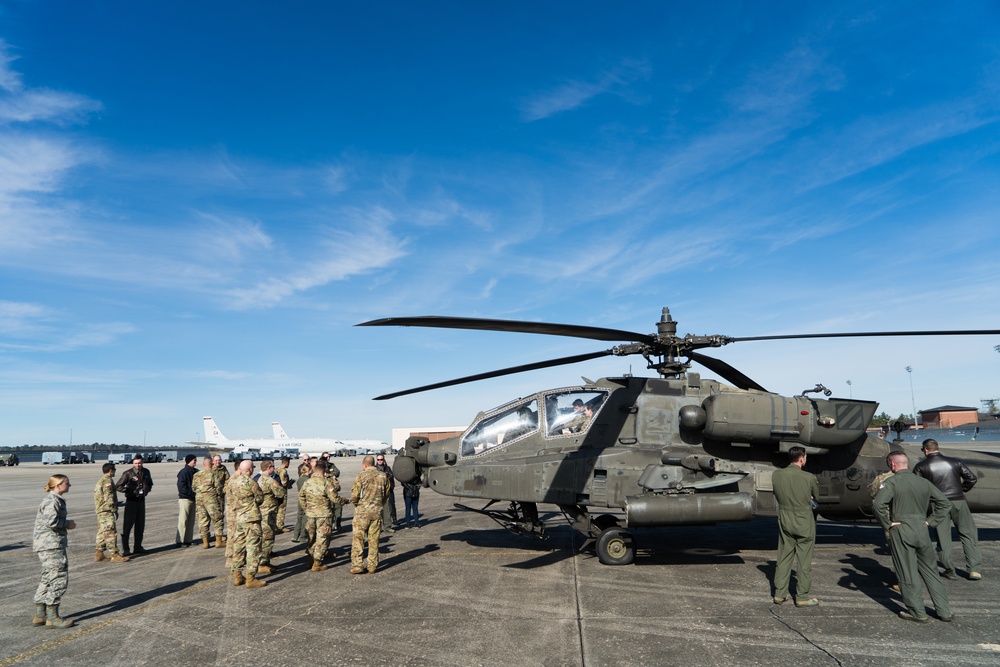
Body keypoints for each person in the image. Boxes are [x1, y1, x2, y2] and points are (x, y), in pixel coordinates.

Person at [873, 450, 953, 622]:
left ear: (892, 464)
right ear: (906, 463)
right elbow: (945, 504)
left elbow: (878, 505)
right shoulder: (924, 482)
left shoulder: (891, 482)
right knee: (931, 572)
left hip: (902, 529)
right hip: (922, 529)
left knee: (907, 572)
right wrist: (931, 521)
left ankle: (917, 612)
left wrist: (887, 524)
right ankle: (944, 611)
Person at [913, 439, 982, 580]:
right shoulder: (955, 461)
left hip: (938, 505)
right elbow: (972, 478)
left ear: (926, 450)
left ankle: (950, 570)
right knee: (968, 534)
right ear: (937, 448)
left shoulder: (921, 466)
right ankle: (974, 569)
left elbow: (917, 488)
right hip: (958, 501)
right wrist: (961, 490)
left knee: (943, 539)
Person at [771, 445, 820, 607]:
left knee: (784, 556)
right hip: (804, 520)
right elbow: (816, 497)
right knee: (804, 560)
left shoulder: (777, 475)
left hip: (785, 518)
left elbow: (777, 494)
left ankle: (779, 594)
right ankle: (802, 596)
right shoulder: (809, 477)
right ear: (802, 458)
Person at [33, 474, 77, 628]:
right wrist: (67, 524)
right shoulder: (52, 501)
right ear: (58, 485)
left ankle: (40, 614)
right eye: (67, 482)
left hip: (47, 544)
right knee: (58, 577)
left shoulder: (53, 499)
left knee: (47, 577)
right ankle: (52, 616)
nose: (69, 485)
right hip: (51, 545)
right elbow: (52, 522)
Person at [299, 459, 347, 571]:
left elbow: (301, 496)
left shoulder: (307, 482)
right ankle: (317, 562)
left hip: (310, 515)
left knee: (311, 538)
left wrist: (306, 508)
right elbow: (335, 498)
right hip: (324, 515)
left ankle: (311, 558)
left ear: (314, 469)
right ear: (325, 469)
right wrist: (345, 500)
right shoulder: (326, 483)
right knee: (322, 538)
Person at [228, 460, 267, 588]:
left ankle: (237, 575)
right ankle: (250, 578)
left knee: (238, 547)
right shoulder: (251, 482)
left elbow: (231, 498)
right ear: (249, 470)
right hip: (251, 519)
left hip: (239, 518)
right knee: (253, 548)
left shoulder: (233, 481)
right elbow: (260, 499)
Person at [350, 455, 390, 574]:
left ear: (365, 465)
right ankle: (372, 565)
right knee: (374, 540)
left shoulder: (361, 476)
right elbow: (386, 494)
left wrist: (357, 504)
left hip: (362, 512)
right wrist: (378, 504)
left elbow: (355, 495)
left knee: (358, 539)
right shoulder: (383, 476)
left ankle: (358, 565)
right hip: (376, 512)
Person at [115, 455, 153, 556]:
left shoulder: (146, 472)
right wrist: (129, 490)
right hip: (131, 501)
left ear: (142, 462)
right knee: (127, 526)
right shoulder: (128, 473)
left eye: (139, 463)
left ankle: (138, 547)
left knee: (140, 526)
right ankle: (126, 549)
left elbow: (150, 483)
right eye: (136, 463)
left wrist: (146, 490)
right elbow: (118, 486)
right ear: (133, 463)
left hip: (141, 501)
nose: (138, 465)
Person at [254, 458, 286, 569]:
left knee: (262, 537)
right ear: (269, 468)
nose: (274, 469)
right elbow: (281, 492)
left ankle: (265, 562)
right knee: (268, 538)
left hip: (260, 512)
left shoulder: (257, 480)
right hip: (269, 513)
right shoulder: (269, 480)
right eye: (272, 467)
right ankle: (263, 563)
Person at [94, 463, 128, 563]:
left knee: (101, 533)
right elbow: (108, 498)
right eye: (114, 469)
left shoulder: (101, 480)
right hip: (106, 511)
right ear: (111, 470)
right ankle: (115, 555)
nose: (115, 471)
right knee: (110, 533)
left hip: (101, 511)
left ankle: (99, 553)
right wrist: (113, 509)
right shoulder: (107, 481)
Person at [193, 456, 223, 548]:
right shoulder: (214, 474)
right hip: (211, 499)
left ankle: (205, 542)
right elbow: (218, 488)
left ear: (203, 464)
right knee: (217, 519)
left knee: (203, 520)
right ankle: (218, 541)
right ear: (212, 463)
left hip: (199, 500)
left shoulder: (197, 475)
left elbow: (193, 488)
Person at [175, 455, 198, 547]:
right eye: (194, 460)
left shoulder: (195, 471)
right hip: (185, 499)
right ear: (189, 461)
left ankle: (188, 539)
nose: (195, 461)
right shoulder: (183, 472)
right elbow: (181, 487)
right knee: (183, 520)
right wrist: (192, 494)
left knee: (191, 521)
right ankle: (180, 541)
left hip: (193, 499)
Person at [374, 454, 397, 531]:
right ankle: (378, 527)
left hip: (387, 491)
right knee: (377, 511)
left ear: (384, 460)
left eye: (381, 459)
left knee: (387, 509)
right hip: (377, 492)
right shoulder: (374, 469)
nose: (380, 461)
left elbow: (391, 476)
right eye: (378, 459)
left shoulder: (387, 468)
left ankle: (387, 526)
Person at [292, 460, 312, 543]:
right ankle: (303, 536)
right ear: (309, 471)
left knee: (299, 517)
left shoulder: (300, 479)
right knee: (305, 518)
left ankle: (295, 535)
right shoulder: (307, 480)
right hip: (306, 500)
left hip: (300, 500)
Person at [274, 457, 293, 531]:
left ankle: (275, 524)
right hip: (282, 492)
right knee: (281, 509)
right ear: (287, 463)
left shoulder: (276, 469)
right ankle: (280, 526)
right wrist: (289, 483)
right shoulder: (283, 471)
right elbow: (284, 483)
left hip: (275, 491)